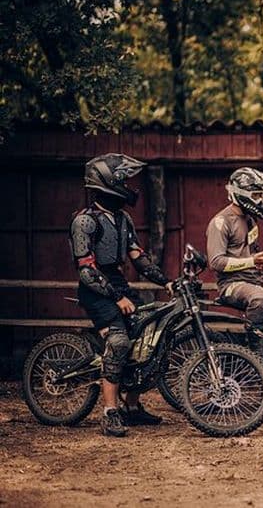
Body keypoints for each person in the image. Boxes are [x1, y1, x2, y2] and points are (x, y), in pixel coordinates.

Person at [70, 154, 172, 437]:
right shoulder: (84, 221)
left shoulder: (123, 218)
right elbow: (86, 271)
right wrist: (116, 298)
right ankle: (109, 413)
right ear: (107, 183)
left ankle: (132, 407)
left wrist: (167, 282)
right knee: (118, 342)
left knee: (145, 340)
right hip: (95, 289)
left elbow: (138, 258)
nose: (128, 187)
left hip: (118, 283)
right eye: (123, 181)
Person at [205, 167, 263, 405]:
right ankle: (254, 359)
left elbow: (249, 253)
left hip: (253, 282)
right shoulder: (220, 222)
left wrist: (259, 259)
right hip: (230, 285)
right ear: (240, 193)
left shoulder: (250, 219)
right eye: (256, 195)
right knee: (259, 299)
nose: (260, 200)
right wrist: (250, 261)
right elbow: (216, 262)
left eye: (261, 195)